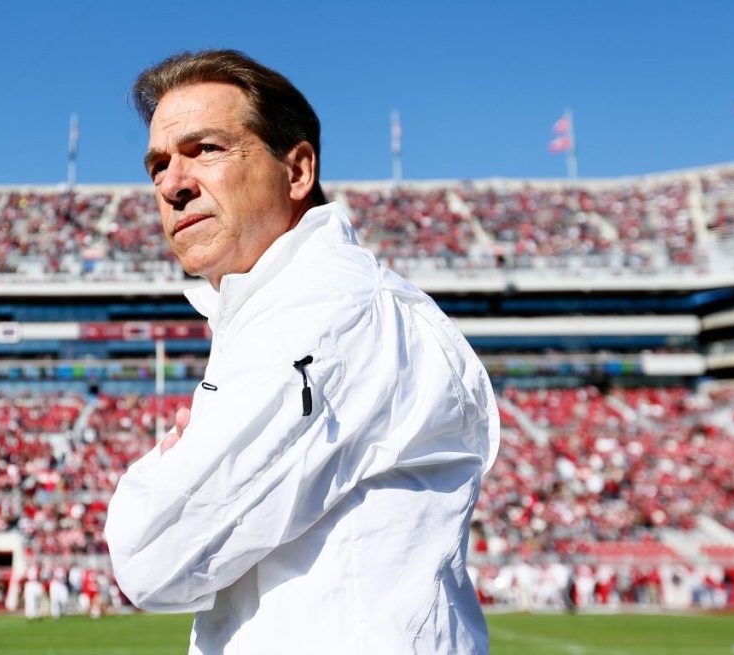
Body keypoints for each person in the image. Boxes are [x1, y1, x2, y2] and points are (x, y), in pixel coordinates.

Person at [105, 49, 499, 654]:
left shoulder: (324, 309)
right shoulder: (289, 304)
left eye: (204, 149)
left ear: (297, 171)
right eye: (158, 163)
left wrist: (162, 468)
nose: (172, 184)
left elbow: (152, 557)